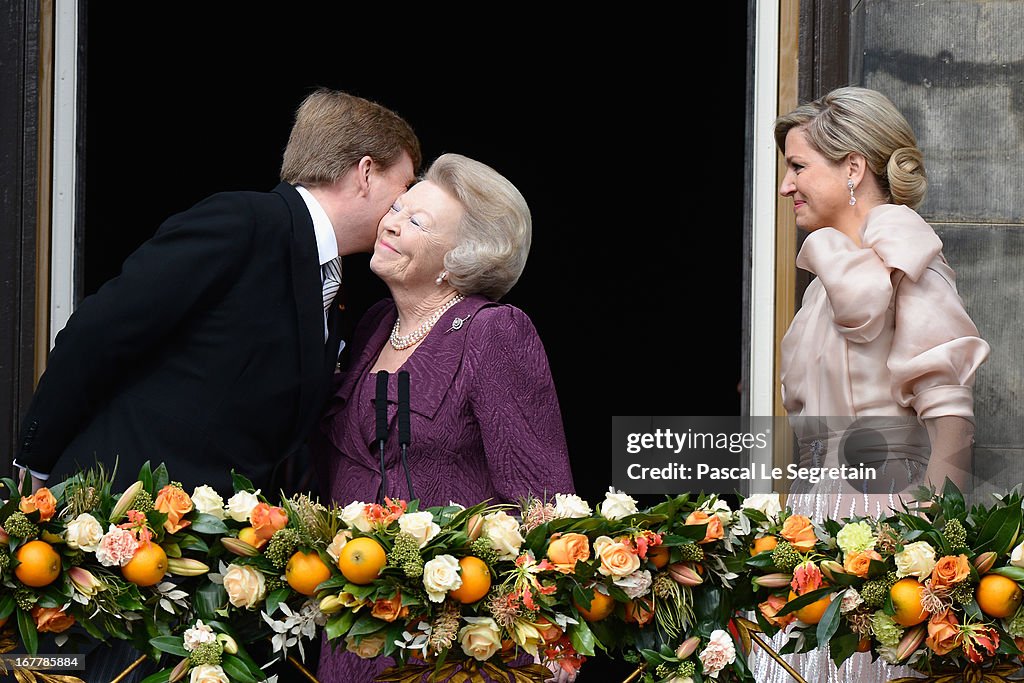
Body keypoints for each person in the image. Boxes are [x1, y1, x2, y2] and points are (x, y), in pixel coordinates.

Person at [13, 87, 421, 683]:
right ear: (365, 173)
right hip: (115, 530)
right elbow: (102, 330)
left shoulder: (328, 281)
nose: (402, 206)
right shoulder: (243, 221)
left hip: (200, 558)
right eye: (404, 186)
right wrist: (38, 461)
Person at [753, 86, 990, 682]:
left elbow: (952, 423)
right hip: (812, 530)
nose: (787, 186)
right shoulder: (818, 290)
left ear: (853, 167)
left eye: (798, 166)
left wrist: (919, 557)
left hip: (886, 533)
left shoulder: (912, 262)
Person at [312, 153, 577, 683]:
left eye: (416, 221)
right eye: (398, 207)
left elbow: (543, 500)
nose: (389, 220)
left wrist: (553, 633)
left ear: (459, 259)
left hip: (453, 643)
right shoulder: (374, 324)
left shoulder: (493, 333)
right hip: (352, 632)